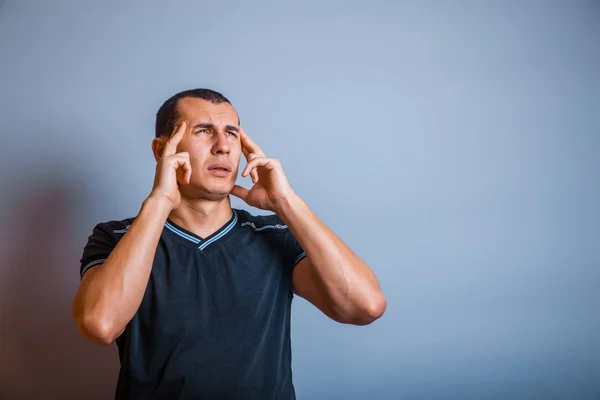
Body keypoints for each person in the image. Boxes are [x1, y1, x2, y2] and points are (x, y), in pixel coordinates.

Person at [71, 88, 387, 399]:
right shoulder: (117, 237)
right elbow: (100, 324)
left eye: (232, 133)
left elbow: (364, 307)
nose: (222, 147)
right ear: (161, 149)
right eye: (204, 131)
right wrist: (159, 201)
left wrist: (285, 202)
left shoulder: (273, 235)